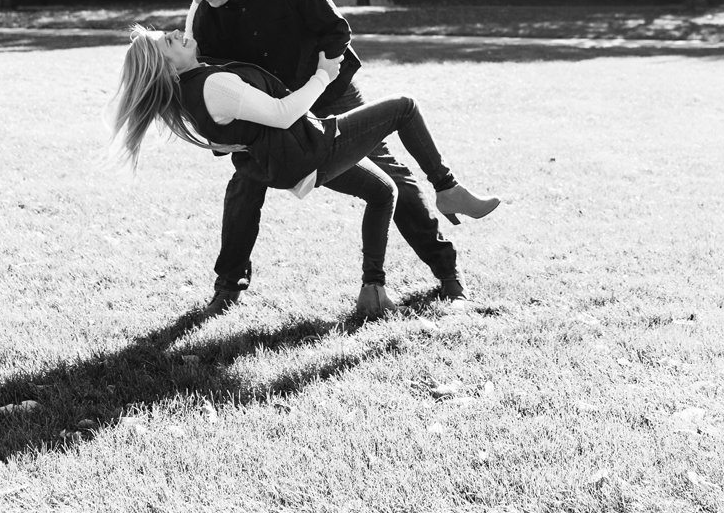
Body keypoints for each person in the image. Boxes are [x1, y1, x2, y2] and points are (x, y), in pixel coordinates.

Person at [173, 0, 498, 315]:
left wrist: (314, 89)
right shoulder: (207, 20)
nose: (196, 1)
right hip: (275, 115)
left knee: (392, 176)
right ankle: (227, 288)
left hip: (332, 92)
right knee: (244, 185)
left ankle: (447, 274)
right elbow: (214, 85)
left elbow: (337, 32)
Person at [110, 24, 486, 318]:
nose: (177, 34)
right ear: (167, 65)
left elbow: (235, 128)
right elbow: (283, 113)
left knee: (382, 191)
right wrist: (323, 74)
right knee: (404, 106)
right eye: (168, 42)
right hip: (312, 148)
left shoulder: (187, 94)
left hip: (292, 162)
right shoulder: (214, 85)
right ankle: (447, 186)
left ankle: (373, 289)